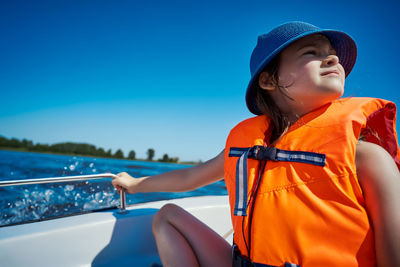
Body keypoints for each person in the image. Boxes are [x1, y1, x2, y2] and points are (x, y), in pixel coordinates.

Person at [112, 21, 400, 267]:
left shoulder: (368, 158)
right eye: (312, 52)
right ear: (268, 80)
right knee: (167, 216)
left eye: (333, 55)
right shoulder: (248, 146)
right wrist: (135, 184)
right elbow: (190, 177)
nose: (332, 60)